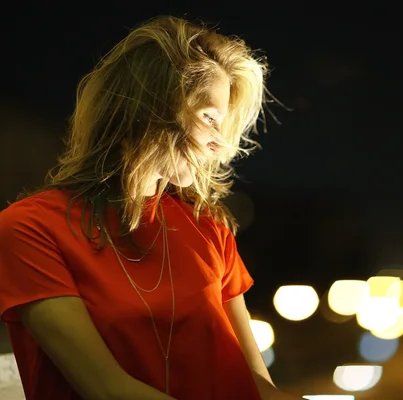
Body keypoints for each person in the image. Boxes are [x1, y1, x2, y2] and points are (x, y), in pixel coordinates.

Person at [0, 15, 300, 400]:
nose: (222, 147)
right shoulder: (30, 229)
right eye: (210, 118)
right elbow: (107, 390)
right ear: (151, 106)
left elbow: (257, 388)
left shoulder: (208, 229)